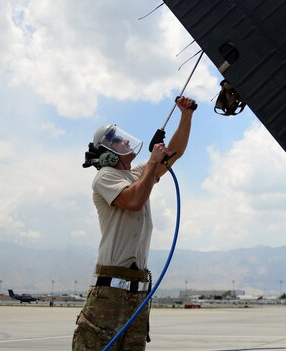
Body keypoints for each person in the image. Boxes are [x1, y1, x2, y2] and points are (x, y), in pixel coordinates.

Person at [72, 96, 196, 351]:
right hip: (110, 290)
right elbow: (134, 200)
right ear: (108, 151)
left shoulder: (137, 174)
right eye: (117, 139)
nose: (125, 140)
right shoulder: (105, 177)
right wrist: (152, 162)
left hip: (137, 290)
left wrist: (186, 116)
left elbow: (175, 153)